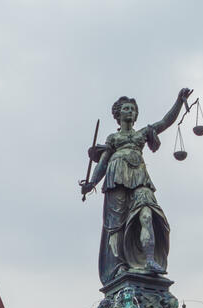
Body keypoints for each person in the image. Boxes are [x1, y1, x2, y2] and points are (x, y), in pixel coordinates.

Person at [81, 88, 193, 285]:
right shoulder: (113, 139)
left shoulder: (142, 133)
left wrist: (178, 101)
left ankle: (149, 260)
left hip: (140, 177)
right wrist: (91, 183)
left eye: (133, 109)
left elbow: (165, 122)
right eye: (126, 108)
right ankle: (118, 266)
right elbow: (103, 163)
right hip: (116, 177)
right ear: (118, 115)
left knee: (148, 214)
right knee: (116, 224)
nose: (130, 111)